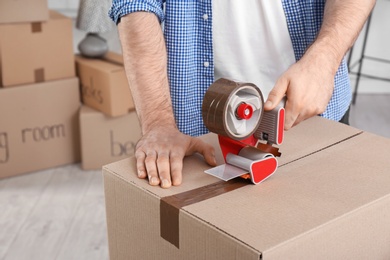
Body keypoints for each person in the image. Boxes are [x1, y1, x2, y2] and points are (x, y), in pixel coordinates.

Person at [109, 0, 375, 188]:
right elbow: (136, 6)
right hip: (202, 125)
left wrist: (325, 60)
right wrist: (158, 123)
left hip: (314, 103)